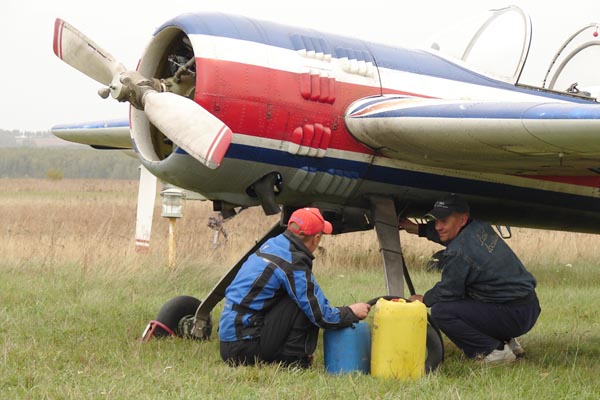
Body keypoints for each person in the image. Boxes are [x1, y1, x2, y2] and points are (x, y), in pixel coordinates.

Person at [218, 207, 371, 368]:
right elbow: (322, 316)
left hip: (230, 342)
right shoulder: (293, 261)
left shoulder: (274, 244)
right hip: (244, 349)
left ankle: (289, 356)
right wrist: (351, 312)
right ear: (316, 238)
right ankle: (295, 361)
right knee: (303, 304)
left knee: (296, 297)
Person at [399, 194, 541, 365]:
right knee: (472, 290)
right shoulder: (479, 227)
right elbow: (450, 235)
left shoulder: (459, 253)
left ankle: (494, 351)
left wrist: (423, 299)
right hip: (529, 306)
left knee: (442, 311)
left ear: (462, 219)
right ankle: (508, 342)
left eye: (444, 221)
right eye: (435, 221)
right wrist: (416, 228)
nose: (438, 226)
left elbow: (448, 291)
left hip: (514, 315)